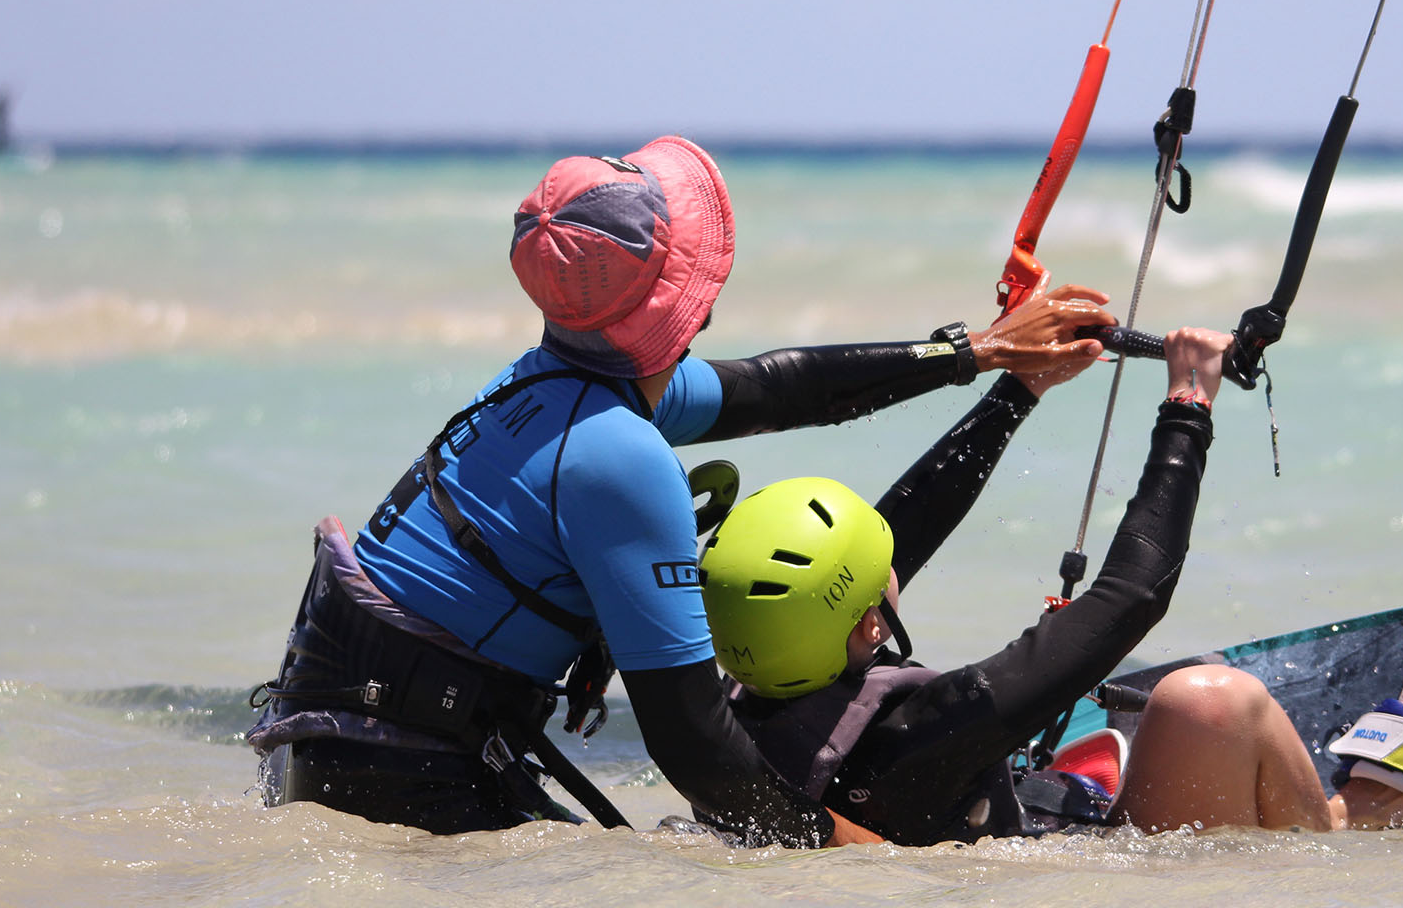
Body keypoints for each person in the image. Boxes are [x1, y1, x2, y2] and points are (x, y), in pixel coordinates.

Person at [246, 136, 1117, 846]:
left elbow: (780, 390)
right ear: (687, 303)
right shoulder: (618, 455)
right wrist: (847, 852)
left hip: (330, 759)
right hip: (403, 789)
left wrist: (981, 353)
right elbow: (696, 745)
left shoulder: (548, 383)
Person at [698, 326, 1403, 843]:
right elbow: (1132, 593)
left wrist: (1018, 387)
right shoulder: (929, 729)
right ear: (869, 626)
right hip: (1077, 866)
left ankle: (1062, 798)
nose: (895, 562)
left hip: (951, 819)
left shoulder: (715, 716)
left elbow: (901, 529)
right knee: (1211, 702)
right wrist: (1189, 406)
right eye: (881, 577)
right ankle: (1354, 817)